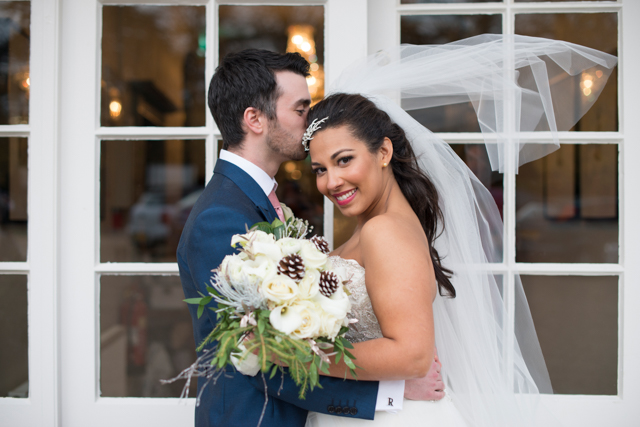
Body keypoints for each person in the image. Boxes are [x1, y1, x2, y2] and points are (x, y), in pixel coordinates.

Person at [297, 35, 617, 427]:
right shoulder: (383, 226)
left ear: (383, 153)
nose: (332, 181)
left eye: (344, 160)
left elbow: (412, 356)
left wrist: (294, 354)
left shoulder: (385, 231)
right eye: (320, 170)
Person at [177, 48, 444, 427]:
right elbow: (254, 355)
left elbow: (280, 348)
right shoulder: (222, 217)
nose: (310, 122)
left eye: (343, 160)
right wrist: (389, 391)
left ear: (383, 152)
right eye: (301, 110)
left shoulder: (375, 227)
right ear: (254, 119)